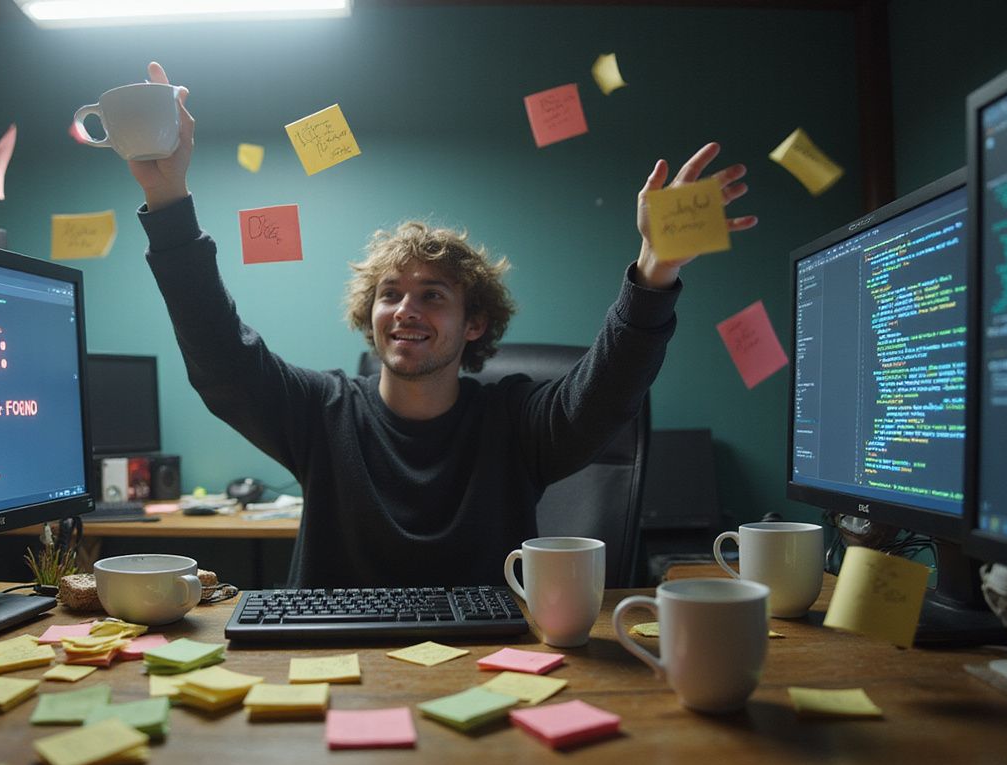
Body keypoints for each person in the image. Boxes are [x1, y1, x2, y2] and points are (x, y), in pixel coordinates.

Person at [129, 62, 757, 587]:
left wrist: (654, 271)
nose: (406, 309)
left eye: (432, 296)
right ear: (371, 315)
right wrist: (168, 200)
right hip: (339, 669)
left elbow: (608, 392)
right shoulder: (320, 412)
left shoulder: (517, 423)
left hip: (488, 668)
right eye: (390, 294)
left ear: (474, 323)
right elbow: (222, 360)